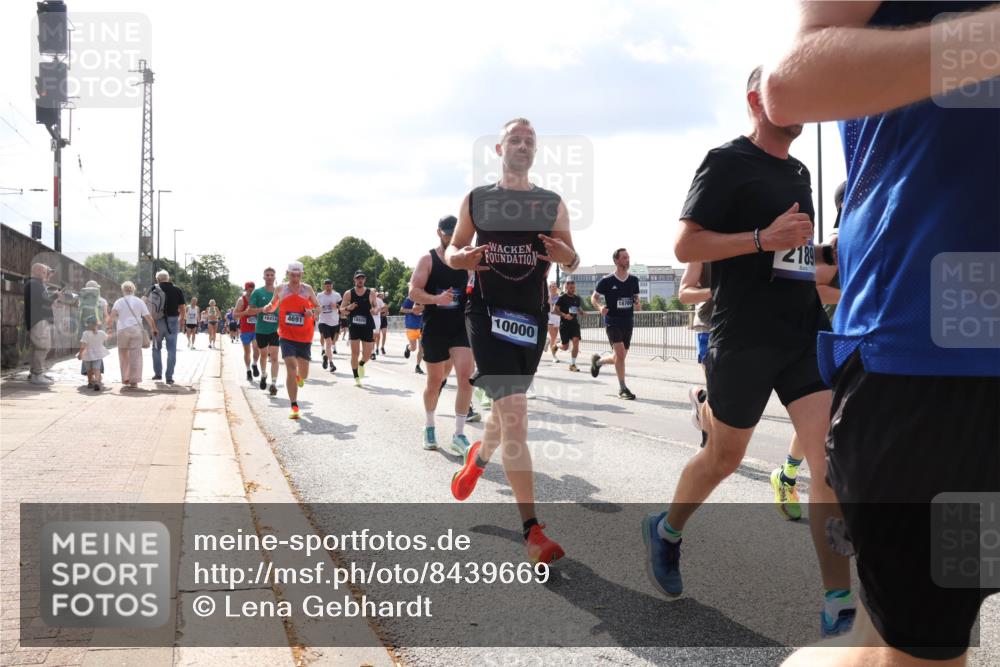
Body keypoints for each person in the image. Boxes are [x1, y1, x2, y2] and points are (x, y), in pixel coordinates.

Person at [764, 3, 1000, 663]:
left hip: (856, 335)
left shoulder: (799, 180)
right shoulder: (734, 171)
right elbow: (794, 83)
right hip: (935, 352)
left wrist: (818, 264)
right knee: (919, 648)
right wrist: (775, 251)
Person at [643, 66, 851, 638]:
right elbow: (686, 244)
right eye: (792, 89)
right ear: (758, 99)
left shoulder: (802, 170)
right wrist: (761, 238)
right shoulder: (725, 161)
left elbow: (792, 257)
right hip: (743, 338)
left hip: (802, 335)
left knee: (827, 466)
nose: (804, 101)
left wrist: (833, 267)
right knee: (724, 458)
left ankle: (838, 602)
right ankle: (666, 529)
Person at [446, 117, 579, 564]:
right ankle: (533, 531)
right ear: (500, 149)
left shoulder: (551, 203)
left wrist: (568, 257)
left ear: (535, 152)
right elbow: (454, 249)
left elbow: (573, 257)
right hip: (485, 314)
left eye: (530, 141)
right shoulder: (478, 199)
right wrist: (459, 257)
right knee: (516, 414)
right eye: (515, 139)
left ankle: (480, 458)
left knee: (507, 411)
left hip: (531, 317)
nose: (523, 145)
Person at [409, 214, 476, 453]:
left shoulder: (466, 260)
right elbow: (414, 292)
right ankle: (429, 426)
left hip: (460, 326)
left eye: (454, 233)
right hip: (435, 327)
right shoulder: (428, 260)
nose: (451, 237)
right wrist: (436, 299)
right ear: (439, 232)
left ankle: (459, 434)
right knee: (434, 381)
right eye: (447, 233)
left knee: (467, 378)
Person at [259, 262, 320, 419]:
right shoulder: (281, 289)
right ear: (287, 274)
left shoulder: (307, 289)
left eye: (298, 275)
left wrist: (311, 312)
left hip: (305, 335)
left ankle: (300, 377)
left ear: (302, 274)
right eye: (292, 275)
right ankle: (294, 406)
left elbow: (317, 308)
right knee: (291, 368)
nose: (295, 278)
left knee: (303, 374)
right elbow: (273, 305)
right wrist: (267, 307)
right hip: (286, 335)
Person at [590, 248, 640, 400]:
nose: (627, 260)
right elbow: (594, 298)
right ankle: (622, 388)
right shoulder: (606, 280)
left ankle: (598, 362)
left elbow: (636, 298)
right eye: (624, 257)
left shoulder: (633, 280)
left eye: (628, 257)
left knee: (620, 356)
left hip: (628, 322)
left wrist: (637, 303)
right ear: (616, 261)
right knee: (619, 354)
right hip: (612, 321)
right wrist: (600, 308)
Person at [679, 261, 712, 447]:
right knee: (716, 389)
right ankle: (707, 442)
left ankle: (700, 396)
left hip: (737, 326)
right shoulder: (702, 249)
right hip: (708, 326)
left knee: (730, 388)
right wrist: (716, 290)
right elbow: (684, 293)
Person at [110, 281, 159, 389]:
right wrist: (154, 328)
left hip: (122, 330)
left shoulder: (119, 301)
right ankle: (134, 381)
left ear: (123, 290)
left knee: (123, 355)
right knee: (136, 356)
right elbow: (148, 317)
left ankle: (126, 378)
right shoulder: (139, 301)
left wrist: (109, 328)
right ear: (133, 290)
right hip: (136, 330)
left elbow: (112, 316)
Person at [24, 263, 59, 385]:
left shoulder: (35, 284)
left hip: (38, 319)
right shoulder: (35, 284)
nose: (47, 274)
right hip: (38, 320)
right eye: (44, 272)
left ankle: (35, 373)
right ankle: (37, 375)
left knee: (38, 347)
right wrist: (55, 295)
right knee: (42, 346)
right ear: (38, 271)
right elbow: (44, 300)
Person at [342, 270, 378, 387]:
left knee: (367, 354)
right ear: (354, 279)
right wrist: (349, 307)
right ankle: (356, 377)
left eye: (362, 278)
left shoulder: (371, 293)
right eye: (358, 278)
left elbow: (376, 306)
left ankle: (361, 364)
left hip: (367, 325)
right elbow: (341, 310)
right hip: (354, 326)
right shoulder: (349, 293)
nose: (360, 280)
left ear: (365, 280)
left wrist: (375, 310)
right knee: (355, 353)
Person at [149, 270, 185, 385]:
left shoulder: (153, 289)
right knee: (171, 350)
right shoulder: (177, 290)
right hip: (172, 321)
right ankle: (169, 377)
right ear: (168, 278)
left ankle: (158, 374)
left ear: (157, 279)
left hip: (157, 321)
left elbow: (145, 304)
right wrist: (181, 320)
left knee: (156, 348)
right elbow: (182, 308)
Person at [249, 268, 281, 395]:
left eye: (271, 275)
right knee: (263, 355)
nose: (269, 277)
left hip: (275, 330)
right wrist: (262, 309)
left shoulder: (279, 293)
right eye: (267, 275)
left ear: (274, 277)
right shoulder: (257, 292)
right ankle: (263, 375)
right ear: (263, 277)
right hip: (261, 330)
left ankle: (273, 384)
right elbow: (250, 311)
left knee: (274, 356)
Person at [232, 282, 260, 383]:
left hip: (257, 329)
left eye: (253, 289)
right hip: (245, 330)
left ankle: (255, 364)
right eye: (249, 289)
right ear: (246, 289)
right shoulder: (241, 300)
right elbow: (234, 315)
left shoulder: (258, 299)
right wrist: (245, 312)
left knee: (257, 349)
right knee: (247, 352)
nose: (251, 291)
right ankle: (248, 370)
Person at [553, 278, 582, 371]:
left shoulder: (577, 298)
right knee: (565, 347)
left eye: (573, 287)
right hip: (564, 324)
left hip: (574, 324)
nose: (572, 289)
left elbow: (577, 308)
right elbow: (555, 310)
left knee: (576, 341)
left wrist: (582, 312)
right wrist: (564, 315)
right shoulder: (562, 297)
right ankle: (557, 345)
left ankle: (572, 364)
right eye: (570, 288)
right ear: (566, 287)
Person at [316, 279, 342, 374]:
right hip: (323, 322)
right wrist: (318, 310)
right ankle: (331, 364)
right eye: (326, 285)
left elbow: (342, 306)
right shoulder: (319, 295)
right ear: (324, 286)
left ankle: (326, 357)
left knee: (331, 343)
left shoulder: (337, 295)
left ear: (332, 285)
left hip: (334, 322)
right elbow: (315, 307)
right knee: (328, 342)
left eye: (329, 285)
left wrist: (336, 306)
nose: (328, 287)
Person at [77, 315, 108, 391]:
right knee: (97, 368)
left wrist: (80, 354)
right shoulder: (101, 333)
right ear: (97, 324)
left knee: (89, 370)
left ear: (87, 325)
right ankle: (97, 381)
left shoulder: (85, 333)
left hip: (87, 354)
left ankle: (90, 382)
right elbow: (106, 338)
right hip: (98, 354)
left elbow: (83, 345)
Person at [400, 296, 425, 374]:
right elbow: (402, 309)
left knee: (421, 348)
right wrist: (412, 310)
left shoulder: (425, 297)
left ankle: (417, 366)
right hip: (411, 326)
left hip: (421, 326)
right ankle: (408, 348)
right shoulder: (409, 299)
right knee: (413, 348)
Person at [546, 282, 561, 363]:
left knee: (555, 338)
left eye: (555, 286)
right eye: (552, 286)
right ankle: (554, 356)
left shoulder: (559, 296)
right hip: (550, 317)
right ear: (550, 288)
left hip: (557, 318)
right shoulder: (548, 296)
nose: (554, 288)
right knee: (553, 337)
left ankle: (547, 341)